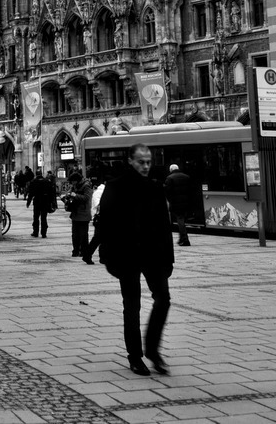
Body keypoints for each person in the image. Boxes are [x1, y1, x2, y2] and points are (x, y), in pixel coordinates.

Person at [98, 143, 174, 377]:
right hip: (127, 254)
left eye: (149, 161)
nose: (146, 166)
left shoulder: (155, 187)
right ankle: (135, 356)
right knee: (132, 305)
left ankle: (152, 350)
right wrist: (106, 256)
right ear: (130, 160)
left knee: (163, 299)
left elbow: (164, 226)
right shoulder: (115, 186)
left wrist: (169, 259)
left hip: (153, 254)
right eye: (141, 161)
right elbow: (105, 224)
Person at [163, 164, 195, 247]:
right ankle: (182, 238)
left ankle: (185, 239)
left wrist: (171, 201)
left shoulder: (170, 178)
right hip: (186, 203)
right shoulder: (186, 177)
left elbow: (167, 191)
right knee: (182, 220)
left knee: (180, 220)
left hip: (176, 203)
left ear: (171, 170)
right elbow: (191, 190)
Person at [81, 173, 106, 265]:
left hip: (102, 218)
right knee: (98, 239)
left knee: (102, 239)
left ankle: (102, 257)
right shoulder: (100, 192)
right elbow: (98, 205)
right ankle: (87, 255)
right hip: (101, 218)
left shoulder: (104, 191)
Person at [68, 171, 94, 258]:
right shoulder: (74, 185)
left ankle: (83, 251)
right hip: (75, 213)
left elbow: (86, 198)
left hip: (83, 213)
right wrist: (67, 196)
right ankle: (75, 251)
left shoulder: (86, 186)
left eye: (73, 181)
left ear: (77, 180)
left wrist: (75, 195)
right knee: (75, 234)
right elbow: (71, 193)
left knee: (83, 235)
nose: (72, 183)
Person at [27, 170, 56, 238]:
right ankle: (44, 233)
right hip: (45, 202)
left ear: (36, 174)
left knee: (36, 217)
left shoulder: (34, 181)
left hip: (37, 201)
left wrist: (28, 201)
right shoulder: (47, 181)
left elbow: (31, 193)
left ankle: (35, 232)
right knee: (44, 217)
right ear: (41, 174)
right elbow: (51, 193)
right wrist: (52, 202)